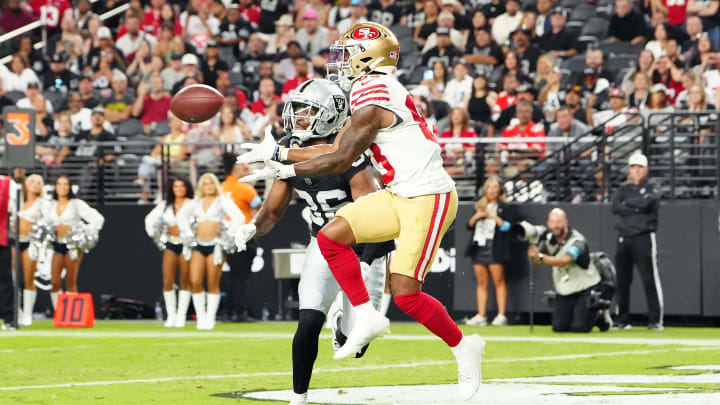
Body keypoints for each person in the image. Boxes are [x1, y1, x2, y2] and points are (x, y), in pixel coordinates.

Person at [237, 22, 484, 401]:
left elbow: (341, 156)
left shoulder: (373, 93)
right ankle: (366, 314)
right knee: (330, 236)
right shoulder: (370, 87)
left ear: (368, 56)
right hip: (401, 193)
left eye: (348, 53)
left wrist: (284, 163)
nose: (343, 62)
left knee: (406, 295)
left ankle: (463, 346)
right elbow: (336, 148)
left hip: (428, 196)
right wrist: (283, 157)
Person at [235, 79, 392, 405]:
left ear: (331, 116)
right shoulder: (290, 146)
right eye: (298, 111)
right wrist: (251, 228)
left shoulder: (349, 147)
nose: (300, 118)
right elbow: (273, 209)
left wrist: (365, 261)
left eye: (309, 112)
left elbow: (374, 213)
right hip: (323, 242)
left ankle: (343, 323)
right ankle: (299, 398)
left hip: (361, 245)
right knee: (307, 319)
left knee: (355, 345)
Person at [527, 208, 611, 332]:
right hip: (565, 289)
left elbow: (564, 260)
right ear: (548, 223)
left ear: (566, 222)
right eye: (552, 222)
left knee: (579, 327)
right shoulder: (548, 239)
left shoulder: (578, 241)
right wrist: (532, 250)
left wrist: (540, 256)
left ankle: (600, 317)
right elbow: (535, 262)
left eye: (559, 222)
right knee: (559, 327)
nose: (555, 226)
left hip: (584, 287)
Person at [178, 173, 244, 330]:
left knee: (213, 282)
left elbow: (239, 217)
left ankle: (210, 318)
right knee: (195, 281)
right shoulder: (194, 203)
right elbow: (181, 217)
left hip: (216, 246)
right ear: (201, 186)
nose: (209, 186)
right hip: (198, 245)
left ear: (216, 185)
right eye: (206, 183)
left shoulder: (223, 201)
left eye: (212, 183)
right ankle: (201, 317)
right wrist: (187, 233)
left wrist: (228, 235)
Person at [612, 153, 664, 330]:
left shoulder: (653, 186)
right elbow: (616, 206)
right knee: (622, 280)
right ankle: (622, 319)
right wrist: (637, 205)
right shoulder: (623, 189)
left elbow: (648, 203)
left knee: (649, 279)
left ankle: (655, 319)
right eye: (633, 167)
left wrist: (630, 205)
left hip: (644, 236)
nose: (636, 170)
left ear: (646, 169)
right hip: (624, 237)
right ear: (629, 170)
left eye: (640, 167)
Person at [44, 176, 105, 309]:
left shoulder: (77, 204)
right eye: (59, 184)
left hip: (73, 246)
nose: (62, 187)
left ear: (70, 187)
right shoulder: (50, 205)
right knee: (54, 281)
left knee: (71, 280)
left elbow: (97, 218)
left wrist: (85, 231)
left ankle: (71, 312)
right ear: (55, 187)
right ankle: (59, 311)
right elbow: (44, 223)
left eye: (66, 184)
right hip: (56, 244)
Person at [144, 178, 194, 327]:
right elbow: (150, 219)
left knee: (185, 280)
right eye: (175, 186)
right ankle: (171, 315)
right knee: (168, 281)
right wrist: (155, 235)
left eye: (182, 186)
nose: (178, 189)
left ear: (187, 188)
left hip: (187, 244)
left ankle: (181, 316)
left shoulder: (193, 204)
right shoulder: (165, 205)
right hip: (171, 243)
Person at [464, 178, 513, 327]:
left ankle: (501, 315)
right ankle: (481, 315)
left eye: (495, 187)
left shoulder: (505, 207)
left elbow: (507, 227)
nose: (491, 190)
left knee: (499, 281)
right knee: (481, 282)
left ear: (500, 190)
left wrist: (493, 216)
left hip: (495, 247)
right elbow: (469, 226)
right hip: (479, 246)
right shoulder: (479, 205)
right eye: (489, 187)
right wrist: (478, 215)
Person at [221, 162, 261, 322]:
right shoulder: (244, 188)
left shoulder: (222, 187)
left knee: (231, 275)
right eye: (245, 169)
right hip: (244, 235)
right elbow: (260, 206)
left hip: (226, 236)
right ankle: (239, 312)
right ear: (235, 170)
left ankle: (228, 311)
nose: (249, 171)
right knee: (241, 276)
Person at [15, 175, 49, 326]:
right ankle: (16, 311)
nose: (35, 185)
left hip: (30, 242)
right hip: (14, 241)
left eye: (39, 183)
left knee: (28, 278)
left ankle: (27, 313)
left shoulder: (43, 204)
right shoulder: (16, 199)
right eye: (33, 182)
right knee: (12, 279)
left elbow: (47, 222)